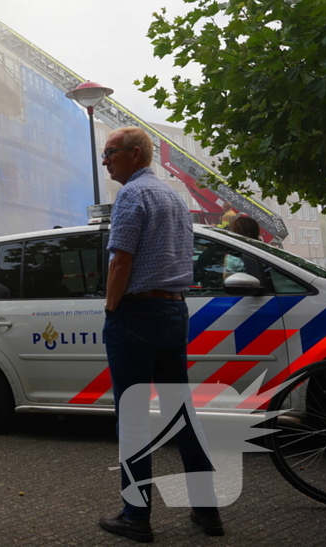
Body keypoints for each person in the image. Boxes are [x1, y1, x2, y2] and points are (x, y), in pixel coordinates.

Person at [98, 127, 222, 542]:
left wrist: (111, 308)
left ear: (135, 154)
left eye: (110, 153)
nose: (105, 161)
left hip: (136, 312)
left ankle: (136, 516)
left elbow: (120, 262)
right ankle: (208, 511)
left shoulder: (132, 196)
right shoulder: (173, 196)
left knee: (132, 417)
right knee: (179, 413)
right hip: (174, 310)